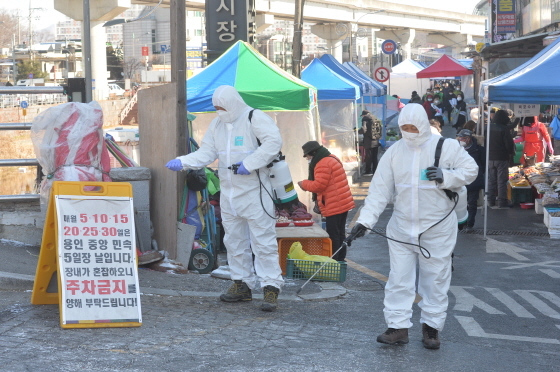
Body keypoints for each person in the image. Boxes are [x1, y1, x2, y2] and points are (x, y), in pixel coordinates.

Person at [349, 103, 478, 350]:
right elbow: (379, 191)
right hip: (401, 228)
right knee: (398, 279)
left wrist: (446, 176)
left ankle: (431, 327)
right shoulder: (395, 153)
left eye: (412, 126)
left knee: (435, 279)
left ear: (422, 123)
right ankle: (397, 327)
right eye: (404, 127)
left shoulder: (446, 146)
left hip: (437, 228)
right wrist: (365, 221)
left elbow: (471, 170)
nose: (408, 131)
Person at [165, 85, 284, 312]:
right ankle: (241, 284)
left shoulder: (254, 117)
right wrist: (184, 161)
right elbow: (207, 152)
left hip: (255, 192)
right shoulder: (218, 124)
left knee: (263, 242)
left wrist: (249, 164)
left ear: (233, 103)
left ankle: (270, 287)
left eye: (223, 107)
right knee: (234, 241)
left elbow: (273, 143)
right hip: (229, 194)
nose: (220, 111)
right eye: (216, 108)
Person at [297, 141, 355, 262]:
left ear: (313, 153)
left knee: (333, 234)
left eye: (307, 156)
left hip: (334, 204)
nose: (307, 159)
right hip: (341, 202)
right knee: (340, 233)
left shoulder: (322, 163)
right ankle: (340, 259)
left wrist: (303, 184)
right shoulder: (330, 157)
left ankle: (335, 261)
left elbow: (319, 185)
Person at [456, 129, 485, 230]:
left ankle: (470, 223)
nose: (460, 139)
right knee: (461, 202)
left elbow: (483, 164)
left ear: (468, 139)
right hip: (460, 179)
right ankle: (462, 221)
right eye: (459, 137)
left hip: (474, 180)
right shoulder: (456, 148)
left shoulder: (479, 149)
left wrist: (480, 176)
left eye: (462, 138)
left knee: (472, 202)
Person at [488, 110, 516, 209]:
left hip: (490, 158)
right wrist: (511, 153)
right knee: (501, 181)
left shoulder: (488, 127)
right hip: (502, 158)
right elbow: (509, 144)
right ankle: (501, 202)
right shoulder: (504, 129)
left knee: (491, 180)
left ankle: (490, 201)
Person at [359, 110, 381, 175]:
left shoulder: (365, 119)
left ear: (364, 115)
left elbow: (363, 129)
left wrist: (358, 131)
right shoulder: (375, 119)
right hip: (376, 141)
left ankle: (368, 171)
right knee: (374, 157)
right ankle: (375, 171)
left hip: (369, 142)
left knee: (368, 157)